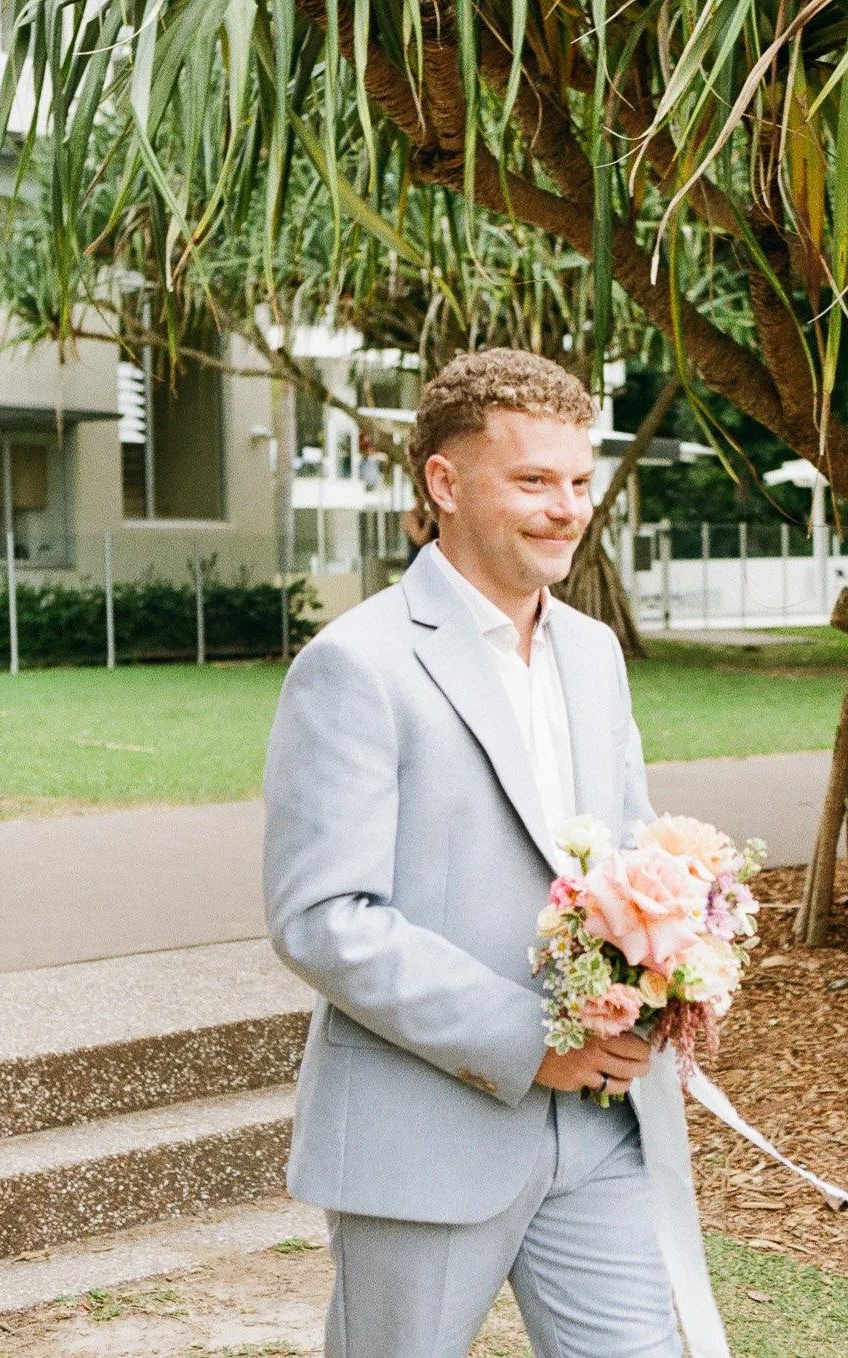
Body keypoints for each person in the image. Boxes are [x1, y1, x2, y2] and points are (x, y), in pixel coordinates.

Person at [263, 349, 726, 1358]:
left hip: (602, 1127)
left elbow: (630, 850)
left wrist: (670, 964)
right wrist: (532, 1040)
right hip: (425, 1128)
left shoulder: (595, 653)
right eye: (531, 481)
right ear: (444, 482)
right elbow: (323, 916)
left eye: (576, 481)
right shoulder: (354, 663)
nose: (564, 508)